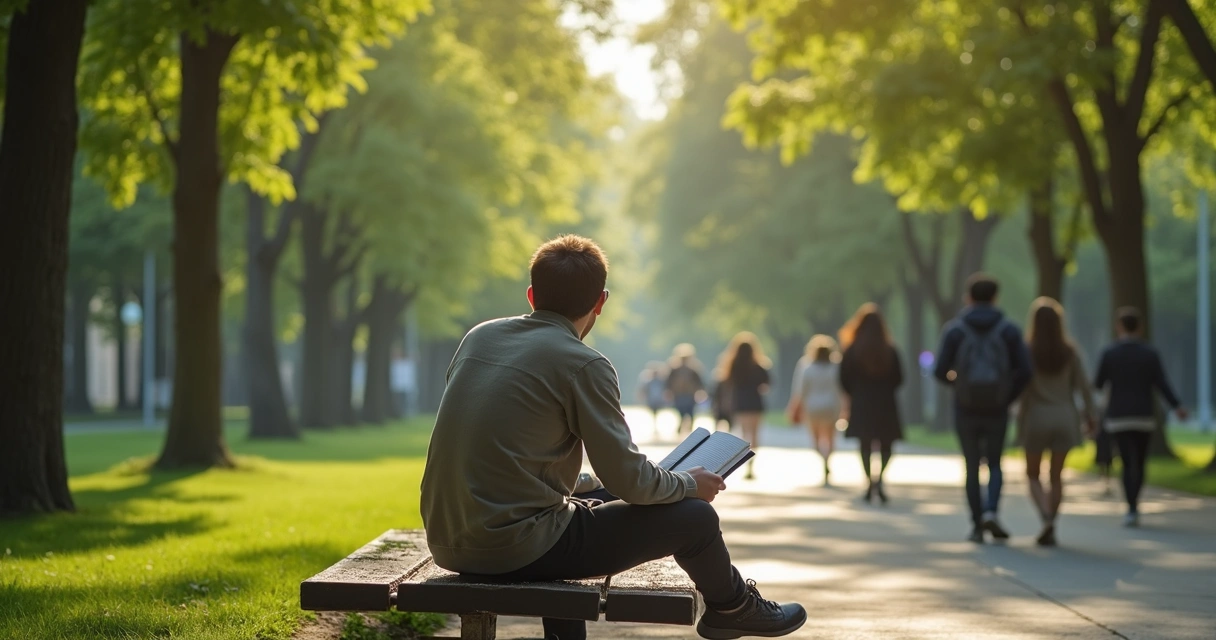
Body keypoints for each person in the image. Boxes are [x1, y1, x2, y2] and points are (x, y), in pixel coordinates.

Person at [419, 235, 806, 640]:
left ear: (532, 295)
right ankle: (732, 607)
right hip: (513, 547)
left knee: (591, 502)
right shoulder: (583, 363)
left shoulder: (479, 337)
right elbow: (629, 481)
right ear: (600, 302)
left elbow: (515, 460)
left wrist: (605, 486)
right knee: (696, 518)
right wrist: (689, 484)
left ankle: (728, 606)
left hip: (449, 537)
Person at [934, 274, 1031, 544]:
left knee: (972, 465)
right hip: (997, 408)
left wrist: (959, 385)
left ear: (969, 298)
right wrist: (1007, 395)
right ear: (995, 298)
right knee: (996, 463)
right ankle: (992, 510)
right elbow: (1025, 370)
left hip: (965, 408)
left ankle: (976, 524)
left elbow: (940, 370)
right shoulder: (1009, 330)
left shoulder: (955, 330)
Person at [1093, 307, 1188, 528]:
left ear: (1119, 327)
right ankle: (1136, 500)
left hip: (1118, 417)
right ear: (1140, 327)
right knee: (1141, 462)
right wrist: (1177, 407)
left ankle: (1131, 507)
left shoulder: (1110, 353)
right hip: (1144, 415)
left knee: (1127, 462)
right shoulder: (1150, 353)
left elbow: (1098, 384)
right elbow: (1162, 384)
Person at [1016, 297, 1096, 546]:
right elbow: (1084, 388)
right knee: (1056, 475)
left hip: (1036, 417)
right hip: (1065, 417)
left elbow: (1020, 388)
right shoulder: (1070, 352)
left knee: (1032, 474)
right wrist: (1091, 417)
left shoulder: (1027, 352)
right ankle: (1053, 520)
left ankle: (1046, 517)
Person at [838, 305, 904, 503]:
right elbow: (900, 378)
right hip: (885, 403)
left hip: (862, 402)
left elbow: (843, 379)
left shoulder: (852, 351)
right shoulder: (890, 350)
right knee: (886, 444)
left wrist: (855, 394)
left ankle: (869, 480)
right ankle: (880, 478)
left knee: (864, 444)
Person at [787, 335, 843, 486]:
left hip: (812, 408)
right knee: (830, 438)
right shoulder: (836, 366)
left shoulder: (806, 366)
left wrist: (795, 408)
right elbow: (842, 389)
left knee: (816, 440)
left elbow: (800, 390)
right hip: (831, 407)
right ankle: (828, 459)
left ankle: (822, 458)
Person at [717, 332, 772, 480]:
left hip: (740, 403)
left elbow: (726, 382)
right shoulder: (759, 366)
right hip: (755, 403)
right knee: (754, 435)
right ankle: (751, 464)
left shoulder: (733, 365)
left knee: (744, 435)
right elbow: (767, 384)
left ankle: (745, 461)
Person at [666, 344, 706, 435]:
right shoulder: (674, 369)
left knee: (690, 411)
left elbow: (699, 381)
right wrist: (668, 391)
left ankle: (689, 427)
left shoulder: (693, 369)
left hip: (690, 394)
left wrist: (701, 391)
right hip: (678, 394)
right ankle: (682, 425)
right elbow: (668, 381)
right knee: (680, 410)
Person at [636, 361, 669, 427]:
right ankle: (655, 424)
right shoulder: (648, 381)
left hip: (658, 399)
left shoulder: (661, 381)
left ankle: (656, 424)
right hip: (651, 399)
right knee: (653, 412)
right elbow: (644, 390)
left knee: (656, 412)